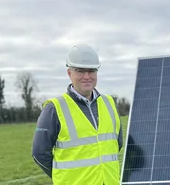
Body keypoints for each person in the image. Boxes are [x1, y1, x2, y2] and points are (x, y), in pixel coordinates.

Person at [32, 44, 123, 185]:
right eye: (80, 71)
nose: (87, 76)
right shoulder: (54, 108)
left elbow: (117, 143)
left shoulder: (109, 103)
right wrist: (64, 177)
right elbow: (39, 153)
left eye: (92, 71)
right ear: (70, 73)